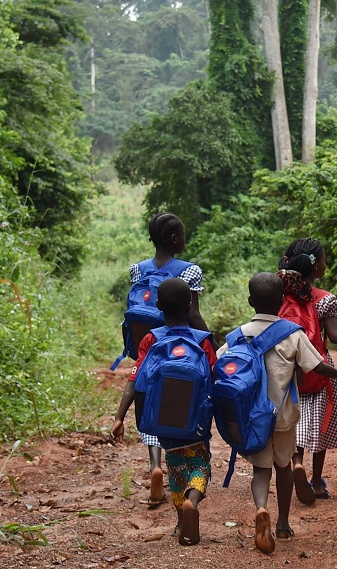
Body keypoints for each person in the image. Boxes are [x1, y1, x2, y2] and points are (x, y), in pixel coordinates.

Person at [218, 273, 337, 554]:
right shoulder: (292, 333)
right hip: (282, 416)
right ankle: (281, 523)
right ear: (281, 301)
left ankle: (260, 508)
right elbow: (316, 367)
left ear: (250, 301)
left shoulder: (237, 335)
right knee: (284, 467)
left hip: (253, 417)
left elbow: (219, 365)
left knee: (260, 469)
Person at [110, 278, 216, 545]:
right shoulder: (202, 340)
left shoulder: (150, 339)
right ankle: (193, 500)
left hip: (165, 422)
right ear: (189, 305)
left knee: (177, 470)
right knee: (199, 467)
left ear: (158, 306)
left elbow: (136, 380)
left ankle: (181, 520)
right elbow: (214, 380)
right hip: (196, 424)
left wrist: (120, 417)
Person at [121, 212, 209, 505]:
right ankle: (185, 465)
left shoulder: (137, 270)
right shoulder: (189, 271)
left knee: (149, 403)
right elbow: (193, 314)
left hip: (149, 350)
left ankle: (155, 465)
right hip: (181, 351)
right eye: (183, 234)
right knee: (177, 406)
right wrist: (210, 343)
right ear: (174, 239)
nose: (185, 239)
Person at [277, 238, 337, 504]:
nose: (325, 263)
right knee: (321, 424)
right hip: (320, 369)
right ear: (315, 267)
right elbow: (334, 334)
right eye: (323, 259)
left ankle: (297, 462)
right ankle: (317, 482)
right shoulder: (323, 300)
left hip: (288, 369)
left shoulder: (280, 296)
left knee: (295, 419)